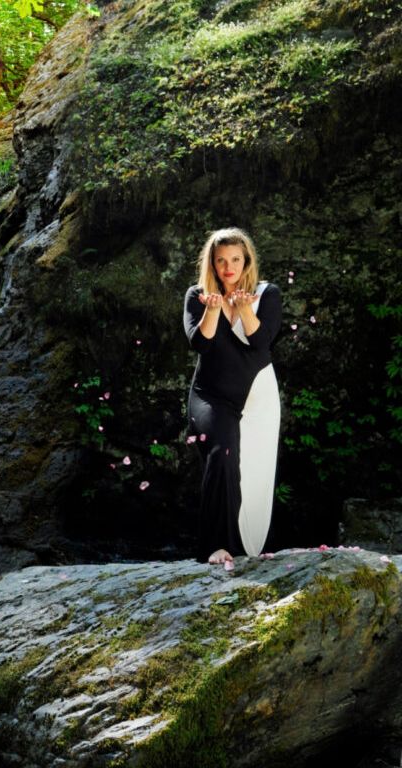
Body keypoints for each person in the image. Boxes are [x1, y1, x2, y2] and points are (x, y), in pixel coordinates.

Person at [183, 227, 282, 565]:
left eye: (235, 260)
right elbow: (201, 344)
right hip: (210, 396)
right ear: (212, 263)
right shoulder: (196, 295)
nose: (228, 267)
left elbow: (262, 342)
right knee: (222, 451)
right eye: (221, 260)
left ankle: (243, 549)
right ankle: (214, 545)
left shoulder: (267, 294)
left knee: (253, 470)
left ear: (246, 261)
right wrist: (213, 311)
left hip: (257, 396)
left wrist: (245, 309)